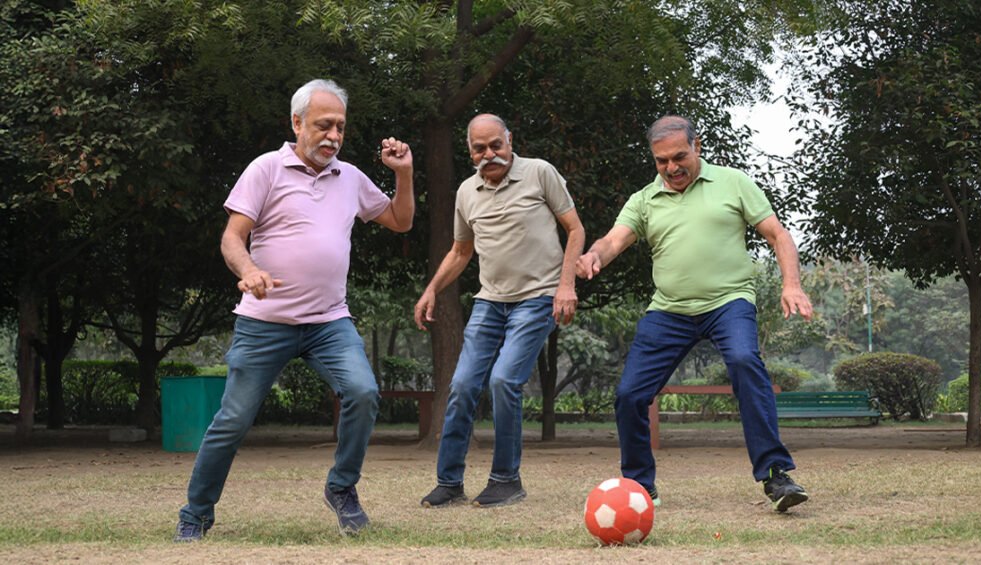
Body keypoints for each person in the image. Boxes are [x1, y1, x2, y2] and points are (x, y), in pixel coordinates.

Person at [174, 79, 414, 541]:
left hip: (329, 322)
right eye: (324, 125)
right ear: (296, 123)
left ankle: (342, 488)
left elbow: (400, 222)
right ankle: (196, 513)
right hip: (264, 324)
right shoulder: (266, 169)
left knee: (363, 393)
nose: (333, 136)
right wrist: (247, 270)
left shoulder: (351, 178)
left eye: (340, 127)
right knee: (233, 421)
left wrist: (403, 173)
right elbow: (231, 237)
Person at [576, 115, 813, 513]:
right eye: (661, 161)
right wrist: (594, 256)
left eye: (679, 156)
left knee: (743, 360)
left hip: (729, 302)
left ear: (697, 146)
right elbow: (614, 240)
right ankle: (639, 489)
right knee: (630, 395)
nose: (671, 167)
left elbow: (778, 235)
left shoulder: (733, 182)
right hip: (669, 310)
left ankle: (776, 475)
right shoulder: (644, 199)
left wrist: (792, 284)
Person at [414, 114, 585, 508]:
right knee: (461, 386)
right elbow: (460, 252)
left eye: (496, 145)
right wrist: (432, 290)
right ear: (470, 151)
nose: (489, 154)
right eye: (480, 148)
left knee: (504, 380)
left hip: (538, 297)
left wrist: (565, 285)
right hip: (489, 302)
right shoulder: (466, 192)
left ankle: (507, 480)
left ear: (510, 140)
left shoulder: (540, 173)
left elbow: (574, 229)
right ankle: (450, 483)